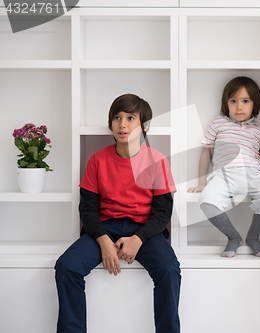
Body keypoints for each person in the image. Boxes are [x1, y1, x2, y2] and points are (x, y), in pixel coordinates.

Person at [55, 94, 181, 333]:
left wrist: (138, 239)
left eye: (130, 118)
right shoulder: (97, 160)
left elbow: (163, 212)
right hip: (105, 228)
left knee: (169, 269)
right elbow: (88, 208)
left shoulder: (157, 161)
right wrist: (103, 241)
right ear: (111, 124)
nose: (122, 124)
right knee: (66, 267)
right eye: (117, 118)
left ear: (144, 125)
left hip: (145, 232)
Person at [188, 76, 260, 258]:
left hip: (254, 173)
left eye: (245, 101)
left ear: (255, 103)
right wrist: (201, 182)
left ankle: (253, 237)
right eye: (233, 101)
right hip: (224, 174)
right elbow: (206, 152)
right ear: (226, 103)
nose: (239, 107)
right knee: (206, 201)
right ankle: (233, 237)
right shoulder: (218, 123)